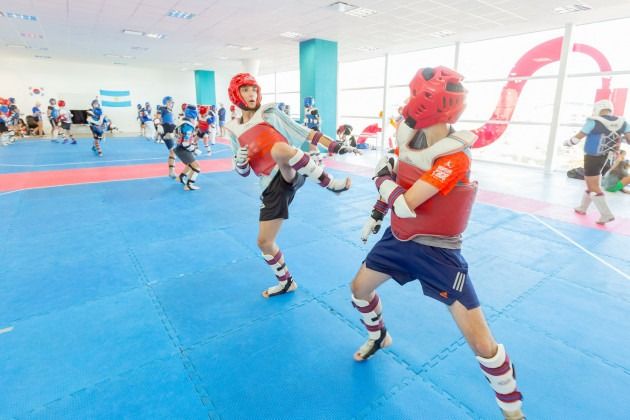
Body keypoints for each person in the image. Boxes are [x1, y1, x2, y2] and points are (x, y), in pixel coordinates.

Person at [350, 66, 525, 420]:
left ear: (426, 103)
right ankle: (379, 336)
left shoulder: (455, 156)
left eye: (411, 95)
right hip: (397, 240)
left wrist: (380, 177)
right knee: (358, 290)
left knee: (481, 342)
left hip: (439, 254)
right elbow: (394, 187)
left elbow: (406, 201)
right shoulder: (407, 138)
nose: (405, 102)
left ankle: (513, 412)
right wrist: (376, 211)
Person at [224, 73, 358, 298]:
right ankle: (286, 282)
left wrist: (335, 145)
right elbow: (243, 173)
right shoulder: (233, 130)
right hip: (270, 185)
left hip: (291, 169)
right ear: (236, 94)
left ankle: (331, 184)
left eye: (254, 89)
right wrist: (240, 161)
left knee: (279, 150)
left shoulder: (269, 113)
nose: (252, 94)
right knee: (264, 242)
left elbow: (304, 132)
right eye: (246, 90)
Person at [565, 99, 630, 224]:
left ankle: (606, 214)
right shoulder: (622, 122)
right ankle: (582, 208)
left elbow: (577, 138)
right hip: (605, 157)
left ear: (597, 109)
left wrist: (568, 142)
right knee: (591, 182)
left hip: (592, 156)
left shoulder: (593, 121)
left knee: (593, 185)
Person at [174, 104, 202, 191]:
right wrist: (194, 149)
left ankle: (181, 177)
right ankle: (189, 185)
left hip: (179, 147)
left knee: (190, 165)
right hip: (183, 149)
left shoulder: (182, 120)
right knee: (196, 167)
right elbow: (185, 143)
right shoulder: (188, 125)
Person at [154, 96, 178, 178]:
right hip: (166, 130)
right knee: (172, 151)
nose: (172, 103)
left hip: (170, 130)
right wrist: (158, 125)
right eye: (171, 102)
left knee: (173, 152)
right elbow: (157, 118)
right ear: (166, 102)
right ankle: (171, 172)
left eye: (172, 102)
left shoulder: (170, 111)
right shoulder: (162, 109)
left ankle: (171, 171)